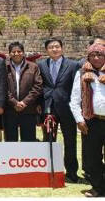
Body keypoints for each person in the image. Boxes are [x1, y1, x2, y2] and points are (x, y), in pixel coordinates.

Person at [38, 38, 81, 183]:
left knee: (70, 141)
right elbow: (40, 86)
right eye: (51, 47)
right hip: (49, 107)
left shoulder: (73, 65)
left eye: (57, 47)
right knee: (49, 140)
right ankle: (50, 171)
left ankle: (71, 173)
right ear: (46, 50)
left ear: (62, 48)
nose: (54, 49)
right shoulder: (41, 65)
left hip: (68, 108)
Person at [69, 43, 105, 197]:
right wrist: (79, 120)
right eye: (93, 55)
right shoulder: (81, 73)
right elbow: (74, 100)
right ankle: (98, 187)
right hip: (91, 122)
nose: (96, 58)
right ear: (88, 57)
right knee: (92, 158)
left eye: (100, 54)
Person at [4, 41, 42, 142]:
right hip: (10, 110)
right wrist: (14, 102)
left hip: (28, 110)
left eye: (19, 51)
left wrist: (24, 102)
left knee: (28, 141)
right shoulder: (3, 67)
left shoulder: (33, 67)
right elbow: (2, 87)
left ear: (23, 52)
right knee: (10, 142)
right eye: (13, 51)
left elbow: (38, 86)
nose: (16, 53)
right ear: (9, 54)